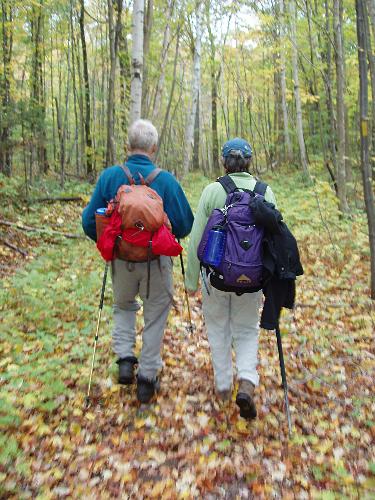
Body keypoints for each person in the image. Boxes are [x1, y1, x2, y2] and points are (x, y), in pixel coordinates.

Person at [82, 119, 194, 404]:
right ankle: (146, 378)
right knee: (155, 315)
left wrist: (113, 243)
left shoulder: (110, 177)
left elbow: (87, 222)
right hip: (156, 261)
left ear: (127, 146)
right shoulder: (166, 180)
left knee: (123, 306)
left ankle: (124, 359)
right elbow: (184, 225)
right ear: (153, 148)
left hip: (121, 261)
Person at [185, 138, 277, 420]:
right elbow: (275, 239)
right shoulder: (265, 191)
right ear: (249, 161)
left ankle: (224, 385)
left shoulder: (213, 191)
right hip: (252, 280)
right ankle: (247, 380)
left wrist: (190, 282)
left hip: (216, 278)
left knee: (218, 329)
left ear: (224, 162)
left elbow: (196, 239)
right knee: (247, 330)